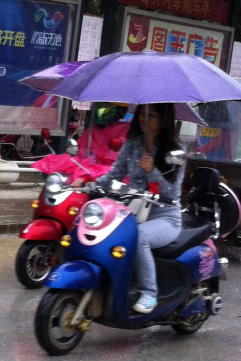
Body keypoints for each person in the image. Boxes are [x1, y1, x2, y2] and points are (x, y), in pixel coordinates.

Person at [75, 103, 184, 314]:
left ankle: (149, 293)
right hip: (133, 211)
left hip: (165, 216)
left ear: (163, 119)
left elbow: (171, 194)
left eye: (151, 115)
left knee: (139, 236)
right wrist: (88, 184)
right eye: (142, 114)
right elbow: (113, 176)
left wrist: (153, 171)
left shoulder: (176, 152)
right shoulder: (132, 145)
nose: (145, 119)